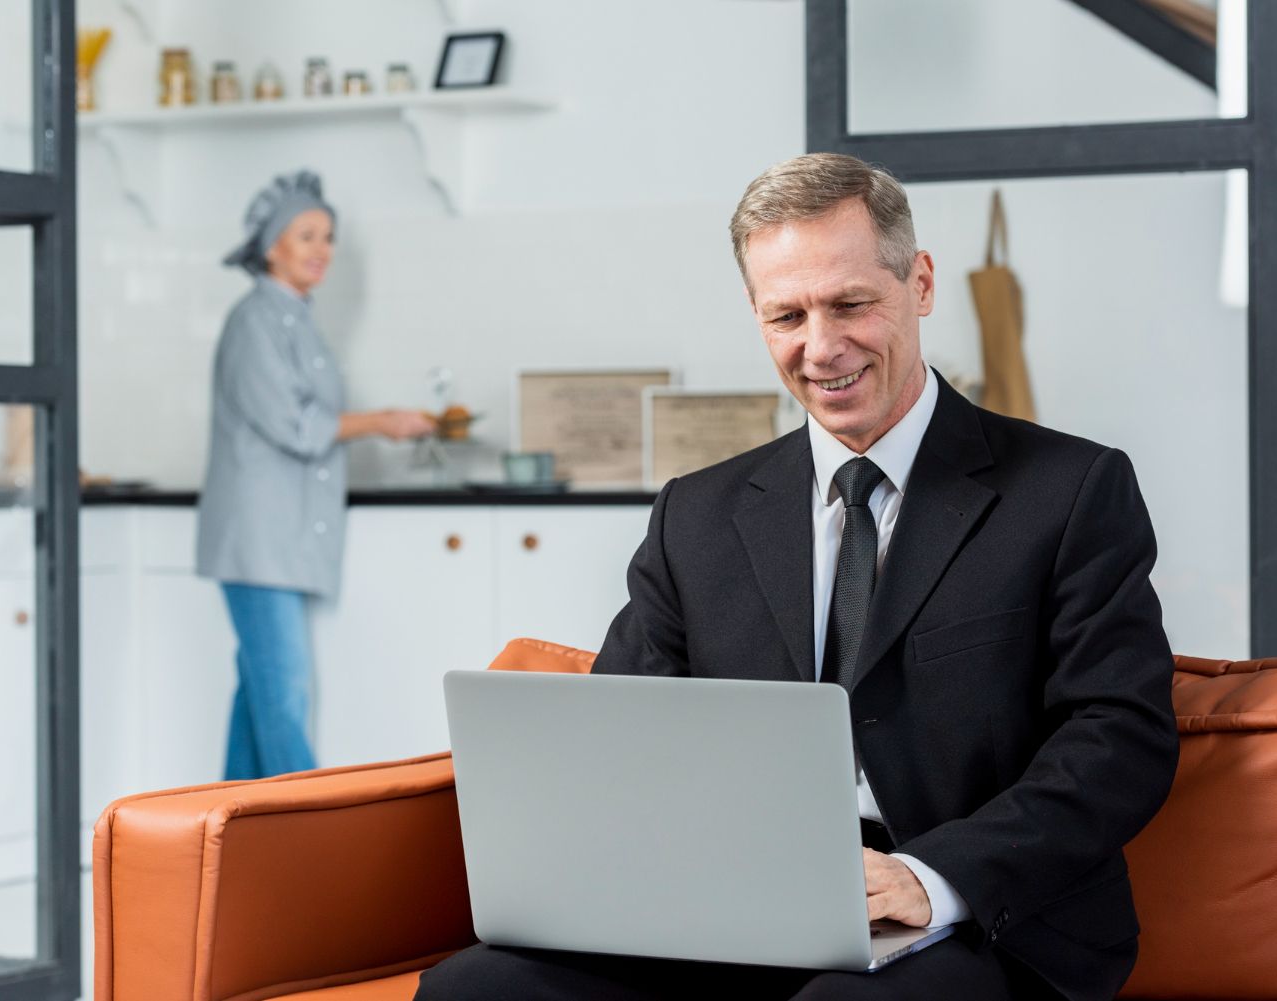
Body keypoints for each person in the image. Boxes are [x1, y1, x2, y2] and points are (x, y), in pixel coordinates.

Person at [416, 153, 1179, 1000]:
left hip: (973, 921)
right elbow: (621, 737)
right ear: (756, 313)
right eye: (788, 314)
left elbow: (1119, 736)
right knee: (475, 989)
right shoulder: (693, 516)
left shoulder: (1071, 491)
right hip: (724, 915)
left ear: (919, 283)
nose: (822, 347)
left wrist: (932, 878)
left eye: (851, 303)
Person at [196, 169, 434, 781]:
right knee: (283, 696)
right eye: (306, 235)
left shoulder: (296, 319)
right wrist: (382, 421)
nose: (321, 249)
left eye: (327, 236)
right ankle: (307, 851)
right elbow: (295, 425)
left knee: (260, 697)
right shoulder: (254, 321)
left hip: (282, 537)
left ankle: (227, 840)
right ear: (271, 245)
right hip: (257, 540)